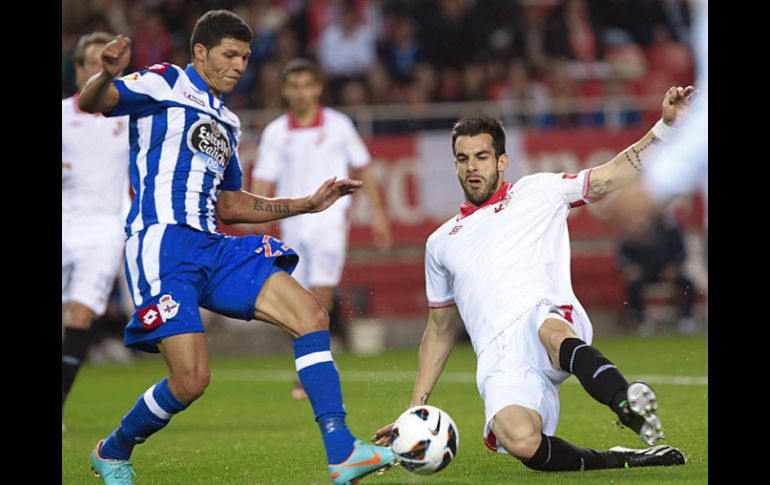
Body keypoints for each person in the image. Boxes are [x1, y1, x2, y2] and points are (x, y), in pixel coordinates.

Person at [78, 10, 395, 485]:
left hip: (213, 244)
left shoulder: (227, 119)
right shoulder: (164, 82)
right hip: (163, 244)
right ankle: (113, 449)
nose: (240, 65)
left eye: (245, 56)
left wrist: (306, 203)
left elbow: (230, 205)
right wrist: (107, 71)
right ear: (200, 51)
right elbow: (96, 101)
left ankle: (343, 450)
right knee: (191, 381)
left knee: (310, 314)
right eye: (230, 54)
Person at [372, 86, 696, 471]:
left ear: (502, 160)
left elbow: (611, 176)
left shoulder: (539, 191)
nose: (472, 166)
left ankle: (627, 401)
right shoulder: (440, 243)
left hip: (547, 318)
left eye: (481, 156)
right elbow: (440, 330)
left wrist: (665, 128)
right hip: (500, 359)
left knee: (549, 330)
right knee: (523, 442)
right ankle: (621, 460)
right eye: (462, 159)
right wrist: (416, 410)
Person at [251, 57, 392, 399]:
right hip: (292, 222)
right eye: (294, 86)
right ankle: (316, 362)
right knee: (297, 301)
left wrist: (378, 215)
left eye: (307, 85)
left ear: (318, 88)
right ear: (285, 90)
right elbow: (262, 181)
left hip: (330, 219)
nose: (300, 92)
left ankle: (310, 370)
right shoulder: (275, 133)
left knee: (321, 296)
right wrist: (255, 218)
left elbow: (364, 168)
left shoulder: (339, 125)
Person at [62, 32, 130, 431]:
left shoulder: (125, 117)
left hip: (105, 230)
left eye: (107, 63)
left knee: (82, 315)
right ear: (78, 70)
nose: (99, 71)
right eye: (92, 63)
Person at [617, 215, 696, 335]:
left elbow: (681, 251)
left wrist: (675, 265)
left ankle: (686, 318)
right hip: (645, 271)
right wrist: (631, 266)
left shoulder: (670, 227)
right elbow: (624, 252)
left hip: (667, 271)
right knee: (633, 285)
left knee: (688, 284)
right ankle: (641, 319)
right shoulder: (637, 227)